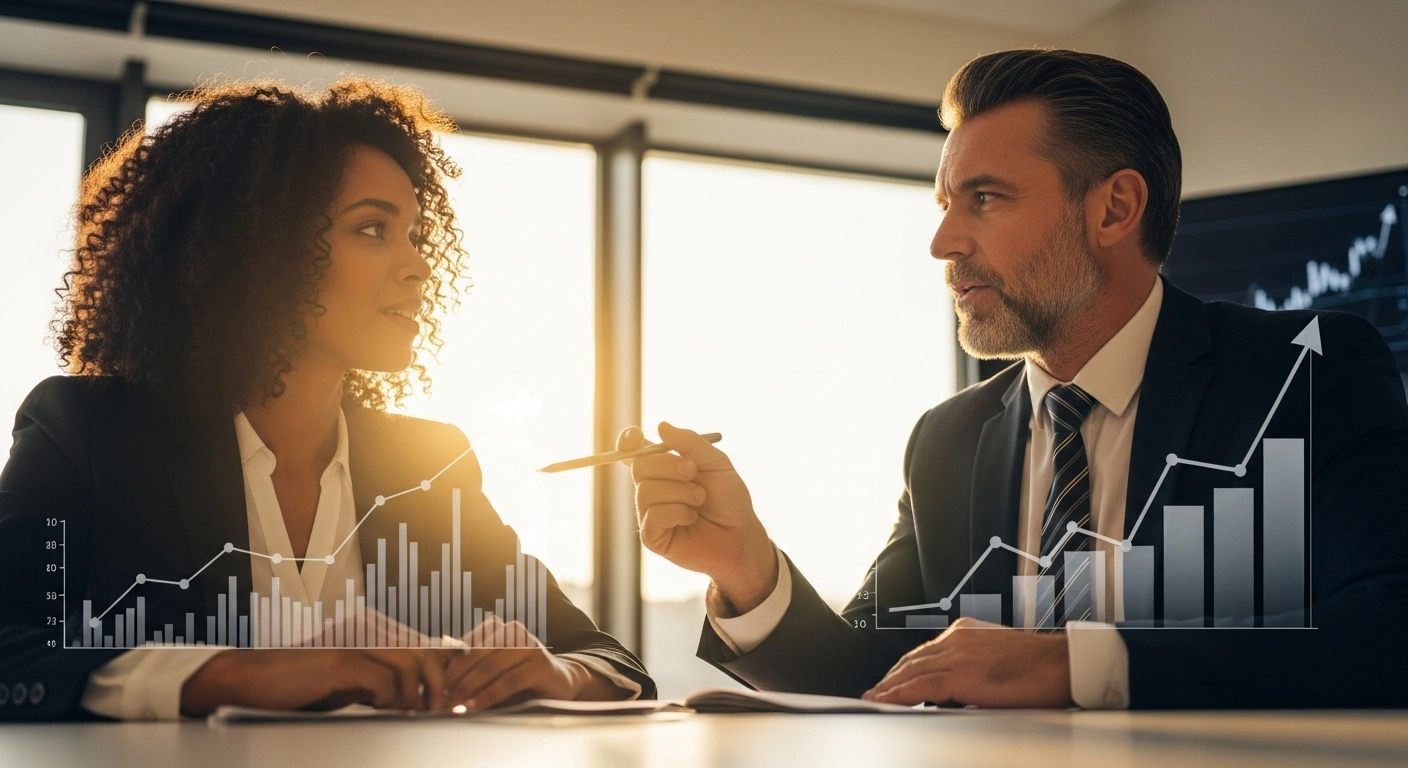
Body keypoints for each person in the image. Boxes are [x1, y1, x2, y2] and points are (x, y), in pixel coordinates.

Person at [621, 48, 1408, 709]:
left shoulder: (1306, 377)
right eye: (942, 203)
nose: (941, 242)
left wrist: (1072, 664)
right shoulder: (947, 440)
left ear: (1114, 209)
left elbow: (1387, 628)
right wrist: (746, 568)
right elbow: (873, 675)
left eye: (984, 199)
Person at [0, 79, 652, 721]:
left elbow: (606, 659)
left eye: (416, 235)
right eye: (373, 229)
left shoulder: (430, 466)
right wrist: (234, 674)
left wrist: (561, 674)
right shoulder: (88, 435)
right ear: (257, 248)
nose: (417, 264)